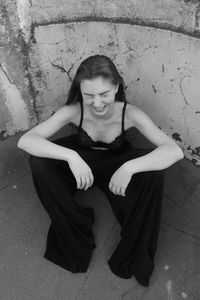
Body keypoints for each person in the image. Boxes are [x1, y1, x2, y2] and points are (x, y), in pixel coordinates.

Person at [18, 55, 183, 287]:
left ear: (116, 87)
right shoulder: (74, 110)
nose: (96, 103)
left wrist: (130, 167)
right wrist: (71, 156)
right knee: (39, 162)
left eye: (104, 94)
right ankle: (75, 223)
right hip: (83, 160)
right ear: (80, 91)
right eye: (89, 95)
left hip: (116, 161)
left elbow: (174, 151)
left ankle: (134, 247)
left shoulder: (131, 113)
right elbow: (26, 141)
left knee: (154, 172)